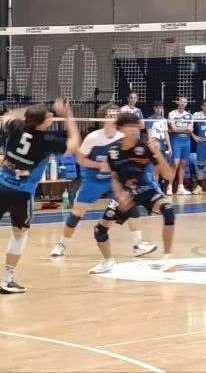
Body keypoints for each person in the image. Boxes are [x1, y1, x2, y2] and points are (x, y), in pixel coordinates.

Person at [0, 99, 81, 296]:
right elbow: (74, 145)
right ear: (42, 123)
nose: (51, 117)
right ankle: (7, 279)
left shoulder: (17, 127)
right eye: (48, 116)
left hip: (0, 186)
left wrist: (29, 111)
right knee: (19, 234)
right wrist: (68, 116)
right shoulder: (47, 141)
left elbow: (7, 116)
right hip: (23, 193)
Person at [49, 106, 157, 262]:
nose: (114, 116)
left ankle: (138, 244)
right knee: (77, 213)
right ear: (102, 118)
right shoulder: (93, 138)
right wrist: (98, 165)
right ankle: (61, 244)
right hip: (93, 180)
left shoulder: (122, 136)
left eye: (116, 114)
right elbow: (80, 159)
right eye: (110, 114)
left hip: (113, 180)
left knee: (130, 206)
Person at [89, 113, 179, 274]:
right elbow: (114, 178)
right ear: (121, 129)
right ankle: (108, 262)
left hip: (147, 190)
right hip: (126, 194)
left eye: (135, 126)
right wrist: (120, 194)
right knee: (99, 230)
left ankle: (167, 258)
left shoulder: (145, 148)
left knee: (168, 211)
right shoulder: (114, 152)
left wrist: (158, 153)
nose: (133, 130)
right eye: (129, 126)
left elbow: (169, 176)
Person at [167, 97, 193, 196]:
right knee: (175, 163)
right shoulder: (172, 113)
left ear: (186, 104)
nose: (182, 104)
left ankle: (180, 187)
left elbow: (191, 130)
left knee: (183, 164)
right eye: (181, 102)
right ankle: (169, 186)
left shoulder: (189, 115)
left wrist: (179, 128)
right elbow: (173, 129)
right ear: (177, 102)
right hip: (176, 141)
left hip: (186, 142)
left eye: (184, 102)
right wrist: (186, 128)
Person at [144, 101, 171, 188]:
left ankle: (157, 187)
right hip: (155, 144)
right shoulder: (150, 119)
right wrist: (152, 146)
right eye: (157, 108)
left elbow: (166, 134)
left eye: (160, 108)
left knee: (159, 168)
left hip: (163, 145)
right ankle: (154, 188)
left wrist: (169, 147)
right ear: (154, 108)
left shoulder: (164, 120)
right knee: (154, 168)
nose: (159, 109)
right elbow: (149, 134)